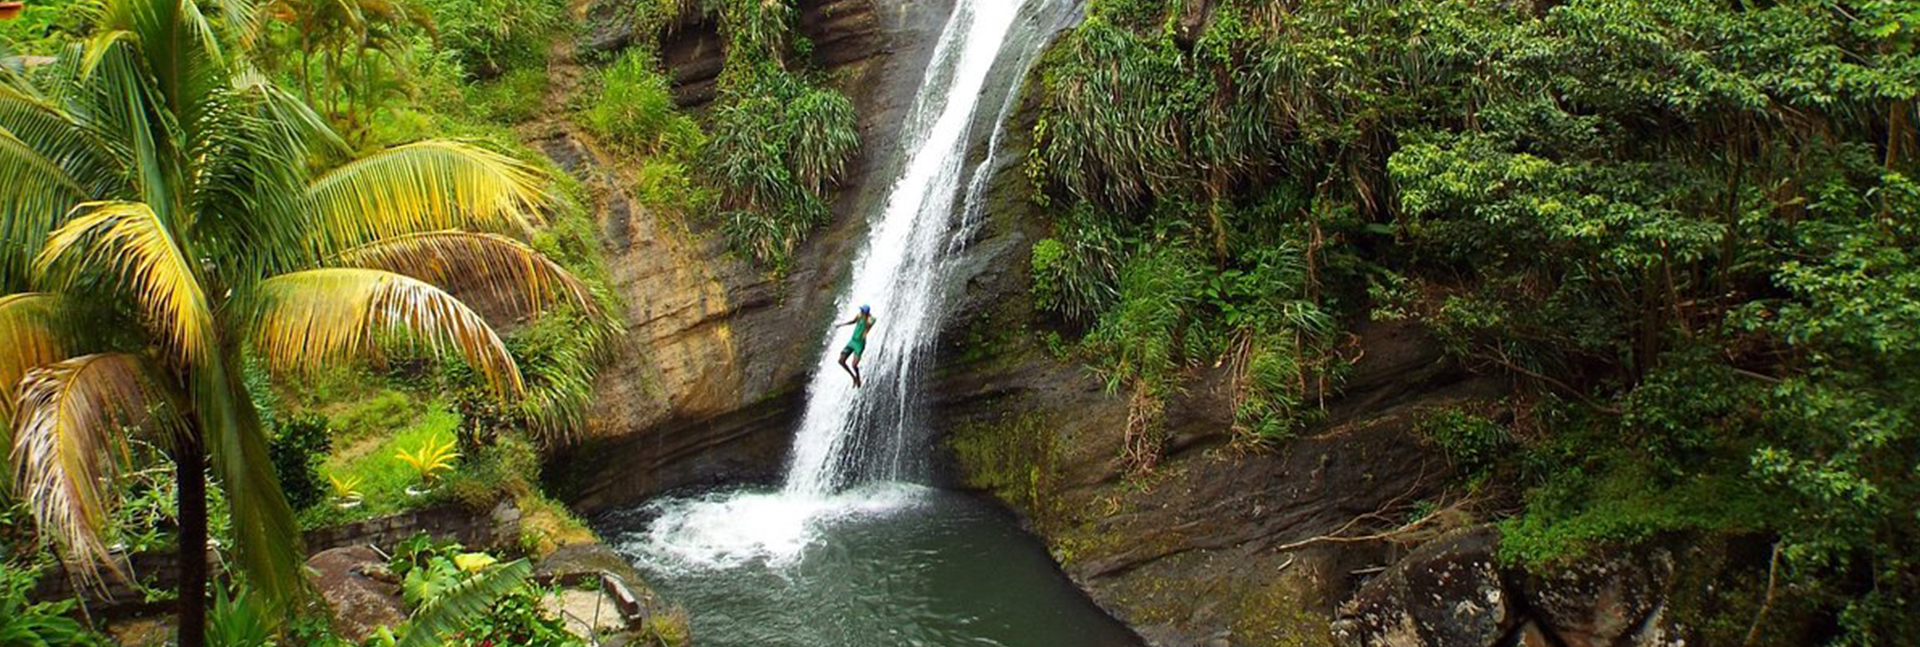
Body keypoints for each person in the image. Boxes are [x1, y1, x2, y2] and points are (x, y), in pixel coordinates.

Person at [836, 305, 877, 387]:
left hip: (859, 343)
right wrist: (842, 325)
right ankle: (853, 377)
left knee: (854, 365)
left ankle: (858, 378)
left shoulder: (870, 319)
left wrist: (866, 330)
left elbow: (870, 323)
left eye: (862, 311)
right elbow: (853, 321)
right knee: (841, 360)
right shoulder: (859, 316)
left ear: (865, 313)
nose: (860, 312)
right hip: (852, 341)